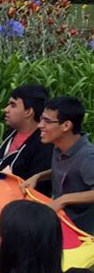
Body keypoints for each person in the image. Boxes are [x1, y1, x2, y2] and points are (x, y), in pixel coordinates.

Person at [20, 97, 94, 233]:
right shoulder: (58, 146)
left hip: (80, 232)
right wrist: (38, 176)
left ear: (66, 126)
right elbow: (64, 170)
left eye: (47, 121)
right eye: (41, 119)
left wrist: (64, 199)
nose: (39, 125)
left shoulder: (87, 157)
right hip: (58, 220)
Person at [0, 84, 52, 196]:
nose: (6, 110)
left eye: (13, 105)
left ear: (28, 111)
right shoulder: (11, 132)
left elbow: (38, 191)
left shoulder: (44, 145)